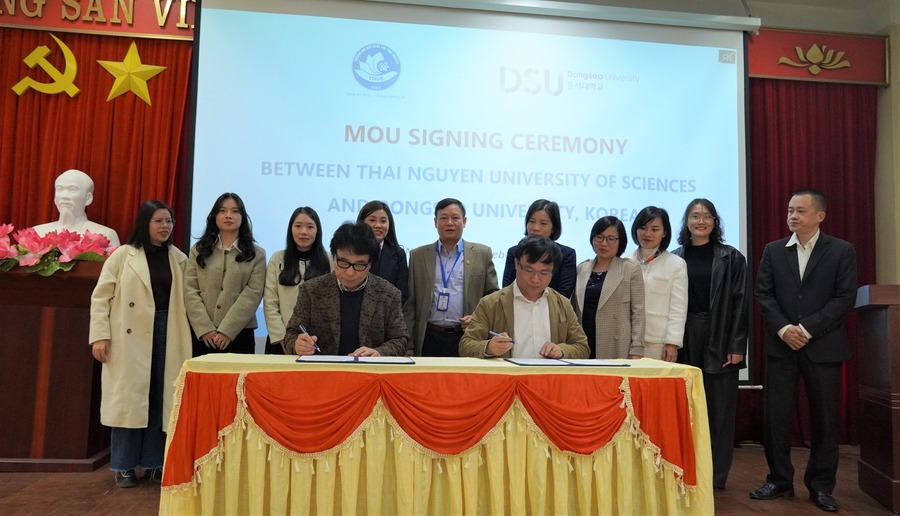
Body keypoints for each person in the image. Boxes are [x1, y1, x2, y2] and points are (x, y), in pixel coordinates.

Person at [750, 188, 857, 513]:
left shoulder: (841, 250)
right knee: (776, 417)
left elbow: (844, 297)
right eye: (790, 210)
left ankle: (821, 486)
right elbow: (763, 294)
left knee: (824, 418)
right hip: (781, 346)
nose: (792, 216)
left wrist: (807, 329)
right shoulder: (773, 250)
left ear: (820, 216)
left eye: (800, 210)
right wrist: (785, 329)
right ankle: (778, 480)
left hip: (823, 346)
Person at [88, 200, 192, 488]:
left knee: (160, 397)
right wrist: (100, 335)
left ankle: (155, 463)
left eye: (169, 221)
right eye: (158, 220)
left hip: (168, 330)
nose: (165, 226)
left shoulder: (179, 258)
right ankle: (124, 466)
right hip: (128, 336)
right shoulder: (123, 255)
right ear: (145, 223)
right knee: (130, 401)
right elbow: (101, 297)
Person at [671, 199, 749, 491]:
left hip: (719, 336)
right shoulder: (674, 257)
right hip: (683, 336)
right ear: (687, 221)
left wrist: (737, 345)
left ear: (715, 222)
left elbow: (741, 303)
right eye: (695, 215)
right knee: (684, 409)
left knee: (719, 412)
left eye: (706, 216)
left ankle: (715, 479)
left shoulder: (732, 258)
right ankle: (684, 473)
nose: (700, 221)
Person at [283, 222, 408, 356]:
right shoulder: (311, 291)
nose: (350, 272)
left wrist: (379, 352)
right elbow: (292, 333)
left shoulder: (389, 294)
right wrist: (297, 344)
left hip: (368, 368)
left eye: (359, 265)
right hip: (323, 367)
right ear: (334, 257)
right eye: (343, 263)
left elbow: (400, 339)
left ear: (370, 264)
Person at [460, 236, 589, 359]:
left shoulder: (562, 304)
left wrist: (561, 351)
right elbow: (466, 345)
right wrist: (489, 347)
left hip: (549, 374)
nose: (535, 279)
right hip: (509, 374)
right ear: (517, 264)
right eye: (529, 270)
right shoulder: (491, 303)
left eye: (544, 273)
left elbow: (582, 347)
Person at [405, 198, 499, 356]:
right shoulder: (418, 255)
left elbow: (493, 297)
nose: (449, 223)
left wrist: (477, 318)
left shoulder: (482, 254)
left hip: (466, 335)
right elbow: (410, 304)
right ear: (435, 222)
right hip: (428, 336)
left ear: (464, 221)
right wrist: (409, 345)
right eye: (443, 218)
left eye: (455, 218)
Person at [184, 193, 266, 356]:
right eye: (222, 211)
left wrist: (227, 330)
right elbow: (190, 290)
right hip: (203, 335)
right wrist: (204, 328)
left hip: (240, 334)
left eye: (235, 211)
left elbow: (253, 294)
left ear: (242, 218)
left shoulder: (256, 254)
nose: (228, 215)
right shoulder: (198, 250)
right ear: (214, 216)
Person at [571, 216, 645, 359]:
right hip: (583, 342)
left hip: (615, 344)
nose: (604, 243)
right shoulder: (581, 268)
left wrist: (637, 349)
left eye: (611, 239)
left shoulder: (630, 269)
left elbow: (638, 312)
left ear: (620, 242)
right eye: (599, 237)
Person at [263, 207, 331, 354]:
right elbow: (270, 302)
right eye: (298, 226)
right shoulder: (278, 258)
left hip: (317, 342)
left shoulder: (329, 260)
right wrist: (284, 339)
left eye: (310, 227)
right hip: (281, 342)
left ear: (318, 231)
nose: (303, 232)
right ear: (290, 229)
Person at [627, 206, 687, 361]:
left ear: (664, 232)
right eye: (642, 228)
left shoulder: (676, 264)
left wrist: (672, 343)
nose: (647, 234)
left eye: (654, 229)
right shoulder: (625, 260)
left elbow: (678, 308)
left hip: (658, 342)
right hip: (626, 339)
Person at [502, 199, 577, 297]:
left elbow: (564, 293)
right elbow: (506, 289)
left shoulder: (566, 254)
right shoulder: (514, 252)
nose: (535, 228)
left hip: (552, 305)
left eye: (543, 223)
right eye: (532, 221)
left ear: (553, 228)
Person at [33, 169, 120, 247]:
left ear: (88, 198)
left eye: (72, 190)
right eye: (60, 189)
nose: (64, 196)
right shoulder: (37, 232)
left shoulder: (105, 235)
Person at [357, 200, 409, 302]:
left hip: (388, 310)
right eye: (372, 220)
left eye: (383, 221)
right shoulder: (351, 251)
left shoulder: (398, 254)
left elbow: (402, 294)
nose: (378, 225)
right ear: (362, 223)